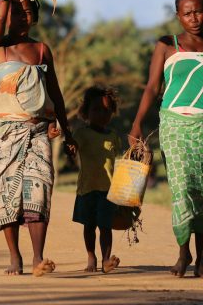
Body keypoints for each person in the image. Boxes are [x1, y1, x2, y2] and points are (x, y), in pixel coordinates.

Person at [0, 0, 76, 276]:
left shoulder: (42, 51)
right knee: (7, 194)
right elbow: (0, 15)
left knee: (39, 190)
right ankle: (15, 257)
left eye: (29, 12)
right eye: (17, 12)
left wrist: (67, 129)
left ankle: (38, 257)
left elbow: (56, 93)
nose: (23, 17)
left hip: (38, 132)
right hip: (4, 134)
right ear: (5, 15)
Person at [129, 0, 203, 279]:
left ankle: (201, 261)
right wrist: (137, 124)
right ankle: (182, 252)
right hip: (174, 126)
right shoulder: (167, 45)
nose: (194, 18)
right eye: (187, 13)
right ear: (178, 16)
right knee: (182, 188)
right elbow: (152, 87)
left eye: (198, 11)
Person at [72, 84, 121, 274]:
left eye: (106, 111)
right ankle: (91, 256)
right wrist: (70, 148)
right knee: (89, 226)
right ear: (86, 112)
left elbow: (119, 159)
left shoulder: (113, 136)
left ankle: (106, 260)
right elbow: (74, 148)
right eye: (96, 110)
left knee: (106, 226)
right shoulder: (82, 133)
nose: (102, 114)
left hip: (109, 190)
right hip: (87, 188)